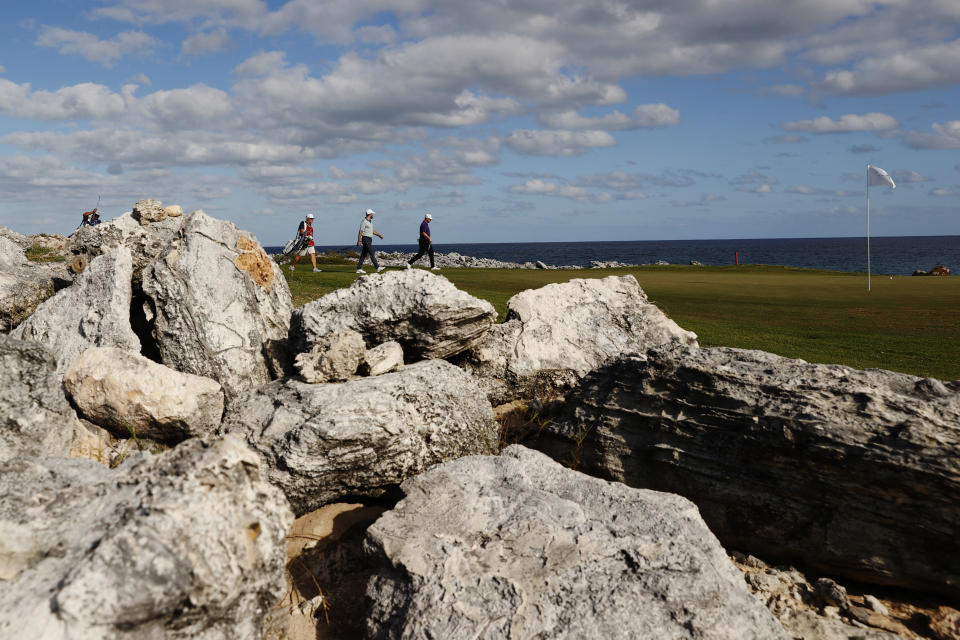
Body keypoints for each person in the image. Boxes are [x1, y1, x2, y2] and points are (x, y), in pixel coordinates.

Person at [356, 209, 385, 273]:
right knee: (371, 253)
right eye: (372, 214)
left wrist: (379, 235)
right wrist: (359, 241)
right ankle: (377, 267)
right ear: (370, 214)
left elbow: (372, 231)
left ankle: (359, 269)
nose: (373, 215)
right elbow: (360, 232)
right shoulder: (364, 222)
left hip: (369, 239)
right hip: (365, 239)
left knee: (363, 255)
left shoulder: (370, 221)